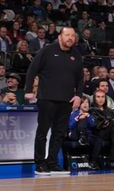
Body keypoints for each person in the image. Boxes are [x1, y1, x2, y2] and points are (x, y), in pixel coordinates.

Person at [24, 27, 83, 176]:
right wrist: (28, 91)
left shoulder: (76, 55)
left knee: (59, 133)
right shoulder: (47, 50)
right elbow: (32, 70)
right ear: (60, 36)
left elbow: (80, 78)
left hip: (66, 100)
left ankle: (53, 163)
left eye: (72, 36)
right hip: (46, 99)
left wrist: (78, 96)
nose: (70, 38)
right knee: (42, 131)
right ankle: (40, 164)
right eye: (67, 35)